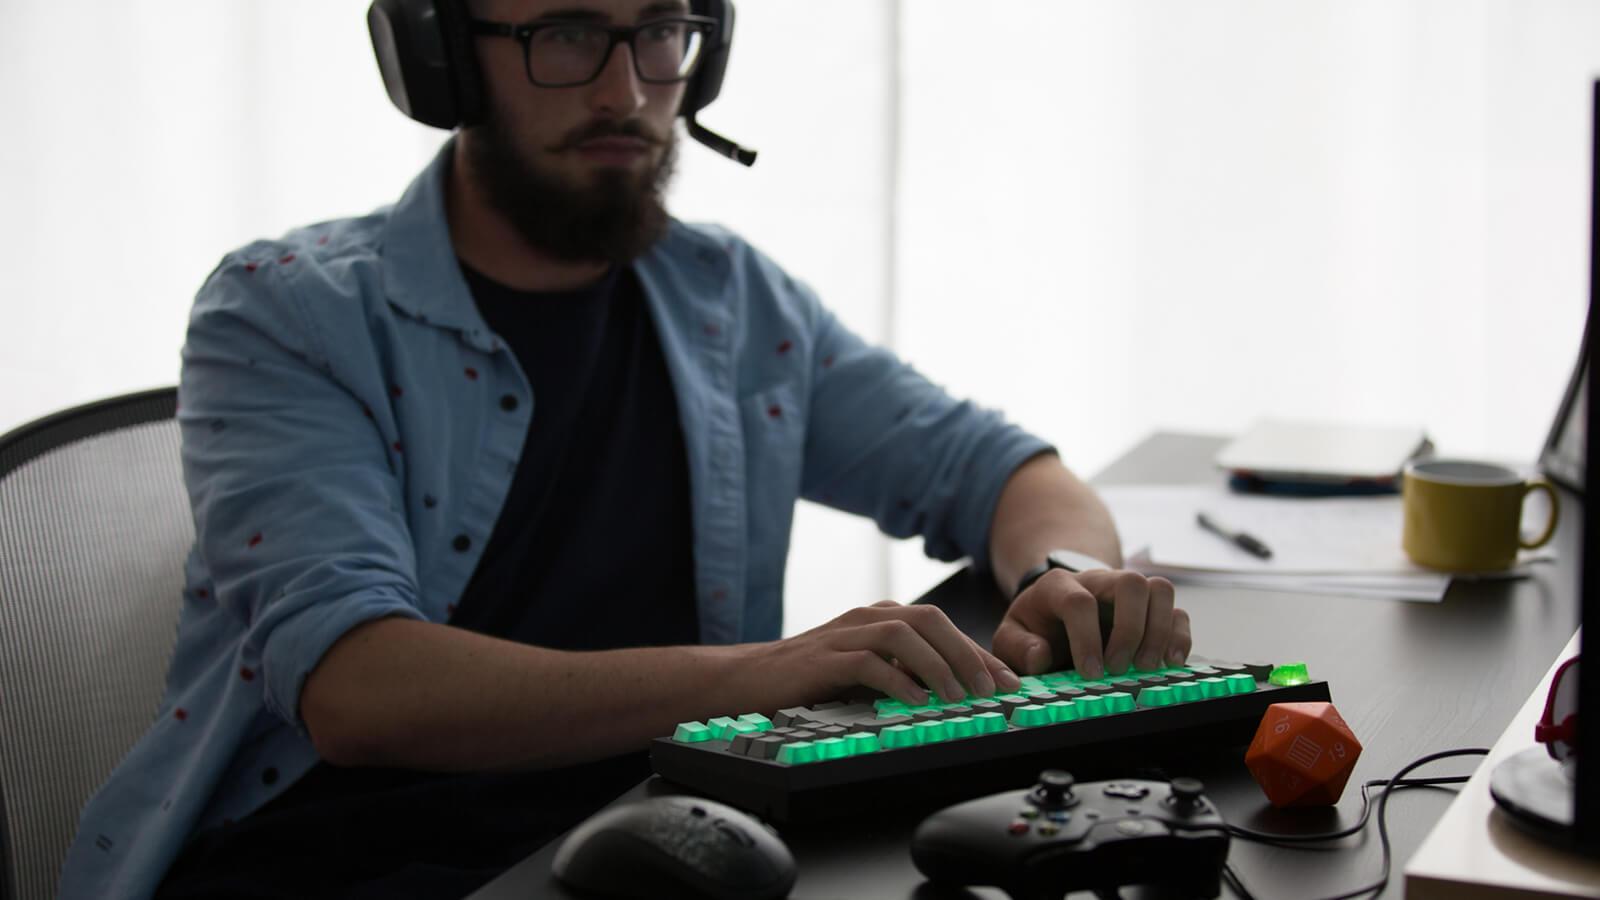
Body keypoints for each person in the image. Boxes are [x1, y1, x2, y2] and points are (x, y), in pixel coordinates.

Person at [61, 0, 1191, 897]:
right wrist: (761, 677)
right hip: (346, 860)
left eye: (659, 32)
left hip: (662, 836)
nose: (625, 89)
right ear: (441, 55)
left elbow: (998, 470)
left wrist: (1069, 584)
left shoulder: (728, 299)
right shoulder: (287, 313)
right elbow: (362, 692)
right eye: (562, 34)